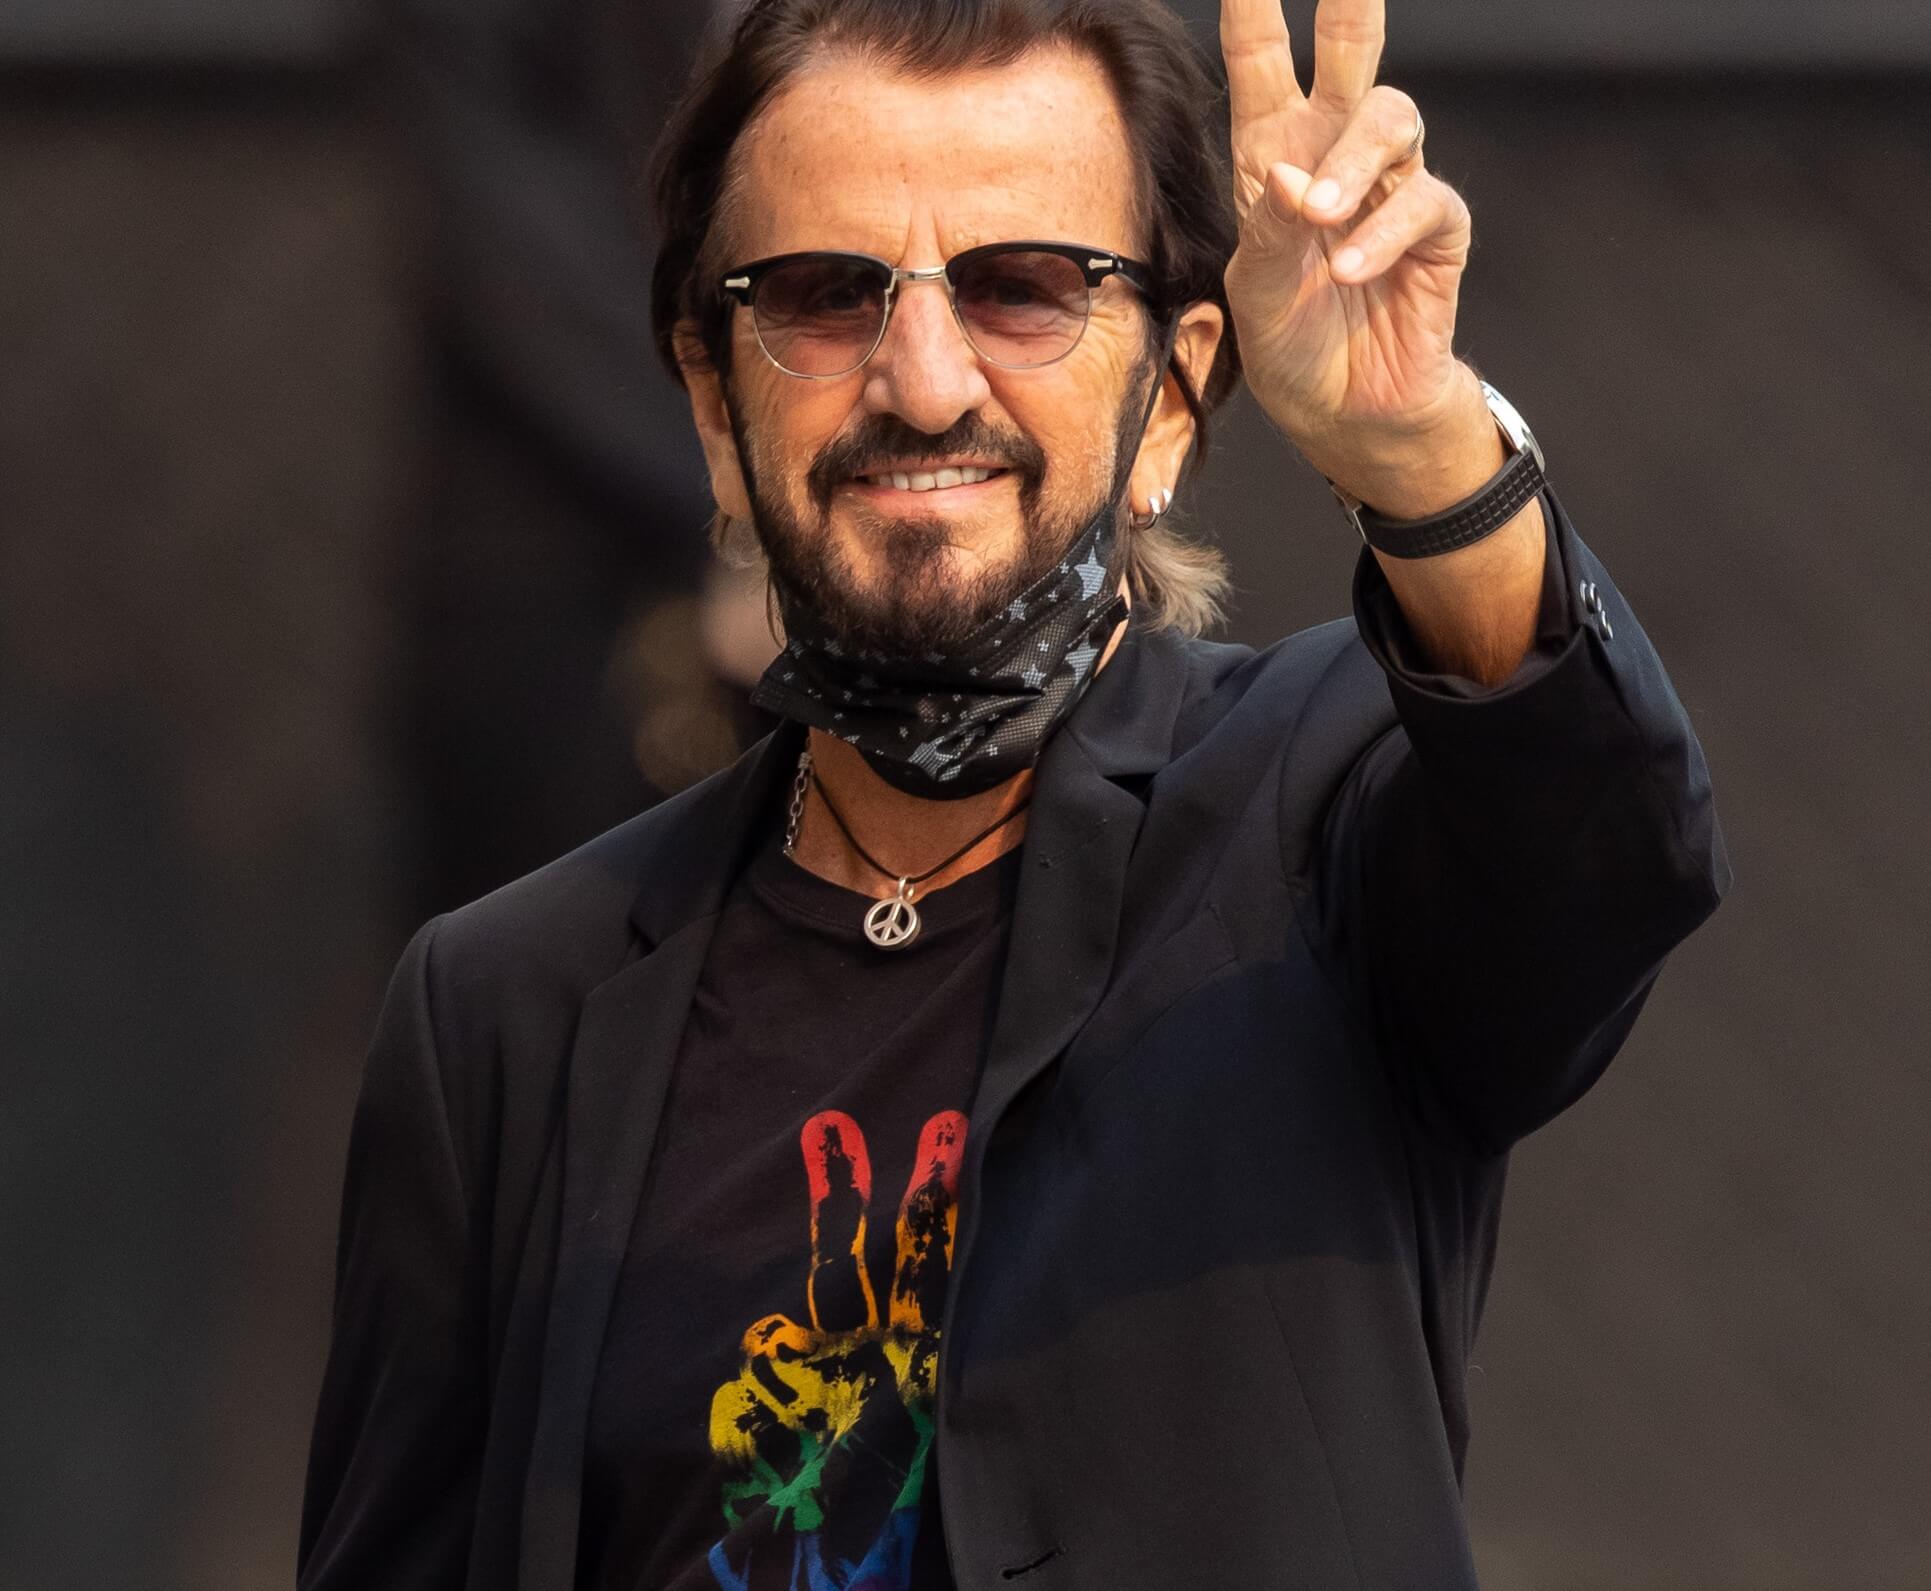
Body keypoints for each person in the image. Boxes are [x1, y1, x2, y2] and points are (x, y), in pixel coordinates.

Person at [298, 0, 1729, 1586]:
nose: (923, 381)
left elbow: (1604, 849)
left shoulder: (1323, 814)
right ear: (715, 405)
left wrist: (1423, 458)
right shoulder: (502, 1014)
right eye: (828, 297)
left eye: (1024, 289)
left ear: (1174, 394)